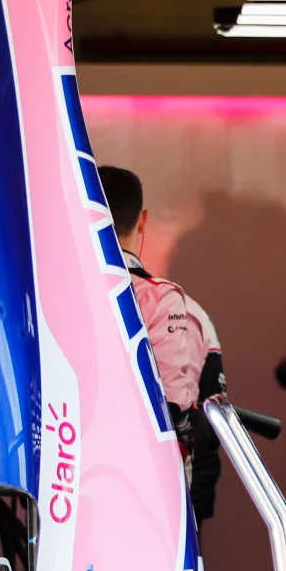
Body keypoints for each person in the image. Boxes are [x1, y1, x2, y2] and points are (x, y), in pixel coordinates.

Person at [98, 165, 225, 522]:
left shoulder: (55, 302)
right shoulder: (185, 310)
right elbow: (196, 416)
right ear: (143, 220)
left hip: (72, 485)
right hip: (158, 493)